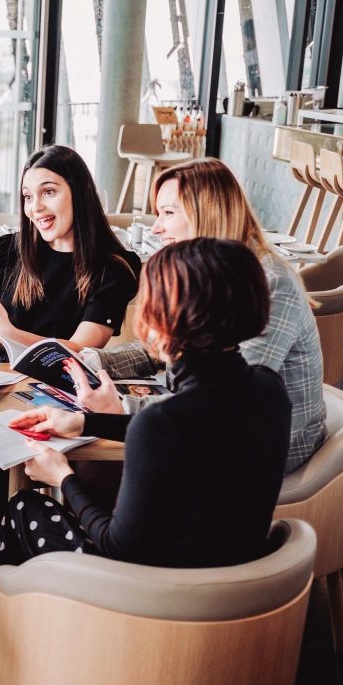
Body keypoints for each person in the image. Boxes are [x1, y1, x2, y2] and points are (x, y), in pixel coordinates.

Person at [0, 238, 291, 685]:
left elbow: (118, 544)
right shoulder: (267, 390)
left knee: (25, 507)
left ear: (161, 323)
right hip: (231, 589)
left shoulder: (163, 424)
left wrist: (62, 477)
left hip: (148, 602)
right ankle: (1, 623)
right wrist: (85, 420)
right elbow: (197, 428)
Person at [0, 145, 142, 557]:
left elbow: (81, 352)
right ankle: (2, 566)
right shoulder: (9, 252)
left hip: (65, 398)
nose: (36, 207)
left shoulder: (113, 267)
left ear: (79, 193)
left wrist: (8, 331)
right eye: (28, 196)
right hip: (1, 386)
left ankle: (9, 576)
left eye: (48, 192)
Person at [72, 158, 325, 474]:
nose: (156, 227)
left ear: (207, 213)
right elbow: (163, 348)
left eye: (168, 212)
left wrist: (121, 408)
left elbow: (227, 399)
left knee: (91, 466)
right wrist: (90, 362)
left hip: (263, 450)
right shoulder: (203, 270)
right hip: (210, 421)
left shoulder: (268, 282)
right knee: (88, 460)